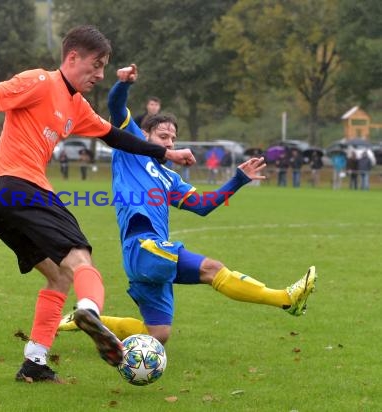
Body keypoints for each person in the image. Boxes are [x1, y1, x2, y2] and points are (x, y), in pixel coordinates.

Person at [0, 25, 194, 383]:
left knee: (59, 275)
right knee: (81, 260)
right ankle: (89, 311)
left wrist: (166, 152)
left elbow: (117, 137)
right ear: (73, 57)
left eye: (104, 67)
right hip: (19, 186)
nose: (100, 74)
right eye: (96, 64)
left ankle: (34, 363)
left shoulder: (77, 105)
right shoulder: (41, 81)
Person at [59, 64, 317, 345]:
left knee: (158, 334)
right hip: (143, 246)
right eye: (163, 137)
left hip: (148, 254)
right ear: (145, 136)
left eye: (172, 138)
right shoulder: (131, 147)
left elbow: (203, 205)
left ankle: (85, 319)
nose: (170, 142)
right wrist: (124, 84)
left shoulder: (170, 178)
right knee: (212, 269)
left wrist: (238, 179)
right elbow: (116, 106)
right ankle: (285, 299)